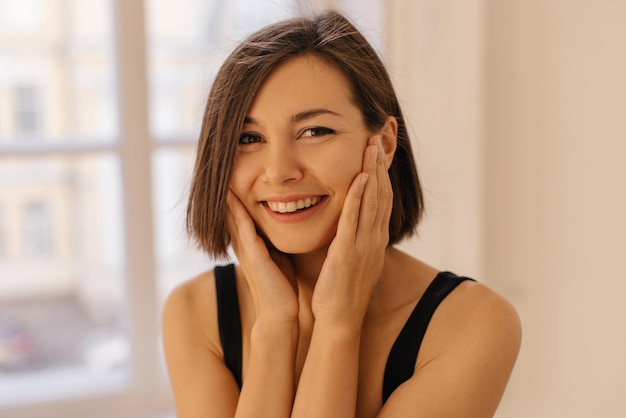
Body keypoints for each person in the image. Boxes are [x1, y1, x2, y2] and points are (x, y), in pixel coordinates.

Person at [162, 10, 521, 418]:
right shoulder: (195, 313)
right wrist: (275, 326)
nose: (279, 171)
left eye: (315, 131)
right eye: (249, 138)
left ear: (383, 144)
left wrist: (338, 323)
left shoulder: (472, 325)